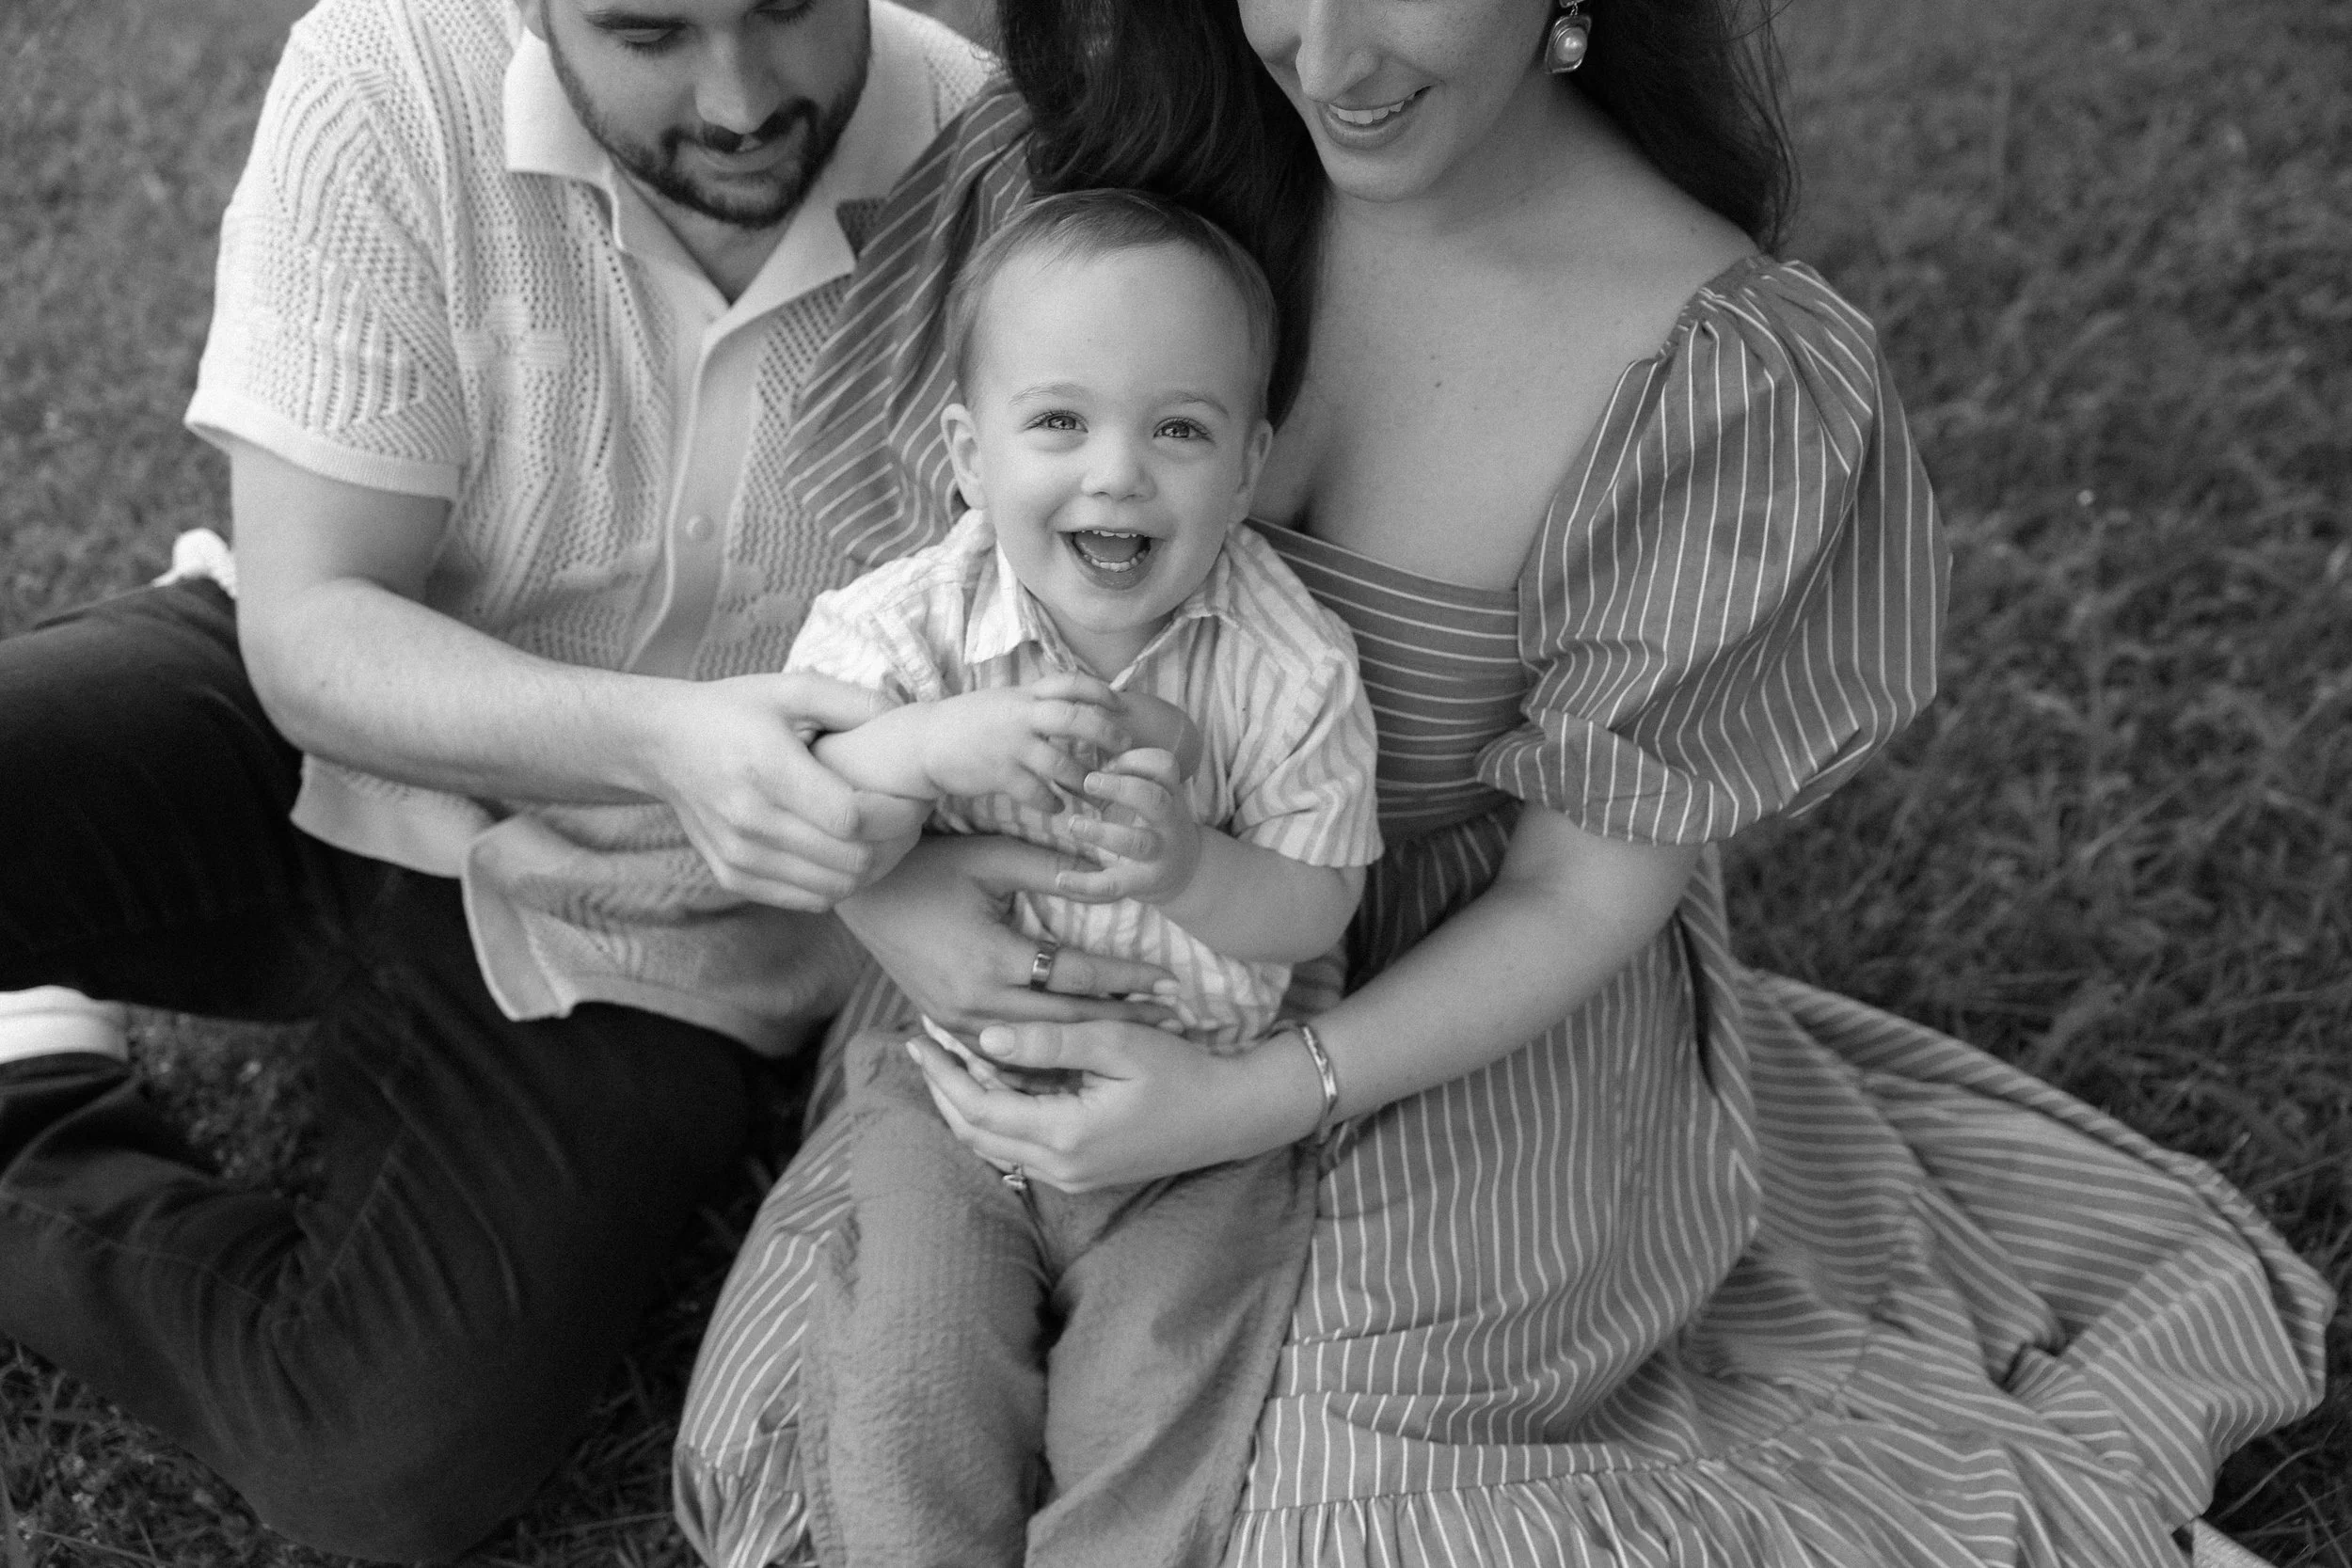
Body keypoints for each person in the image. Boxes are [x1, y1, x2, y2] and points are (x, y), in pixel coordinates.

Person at [675, 2, 2334, 1565]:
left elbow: (1583, 890)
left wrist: (1247, 1099)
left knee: (1320, 1511)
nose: (1323, 56)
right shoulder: (1097, 163)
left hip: (1460, 1005)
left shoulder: (1710, 364)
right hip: (1043, 951)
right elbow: (889, 652)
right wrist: (908, 906)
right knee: (864, 1432)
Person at [0, 0, 1177, 1560]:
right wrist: (660, 740)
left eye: (788, 11)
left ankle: (34, 1099)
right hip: (325, 742)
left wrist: (884, 859)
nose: (744, 96)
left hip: (665, 941)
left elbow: (1014, 654)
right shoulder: (388, 77)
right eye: (649, 33)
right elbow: (311, 627)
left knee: (388, 1460)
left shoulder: (997, 184)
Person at [777, 187, 1383, 1565]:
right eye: (1059, 421)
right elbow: (805, 789)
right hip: (961, 1096)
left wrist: (1190, 868)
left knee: (1157, 1387)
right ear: (966, 455)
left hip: (1196, 1118)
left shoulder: (1290, 667)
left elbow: (1317, 902)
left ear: (1248, 464)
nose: (1118, 474)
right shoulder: (909, 630)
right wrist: (928, 744)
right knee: (915, 1372)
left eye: (1179, 428)